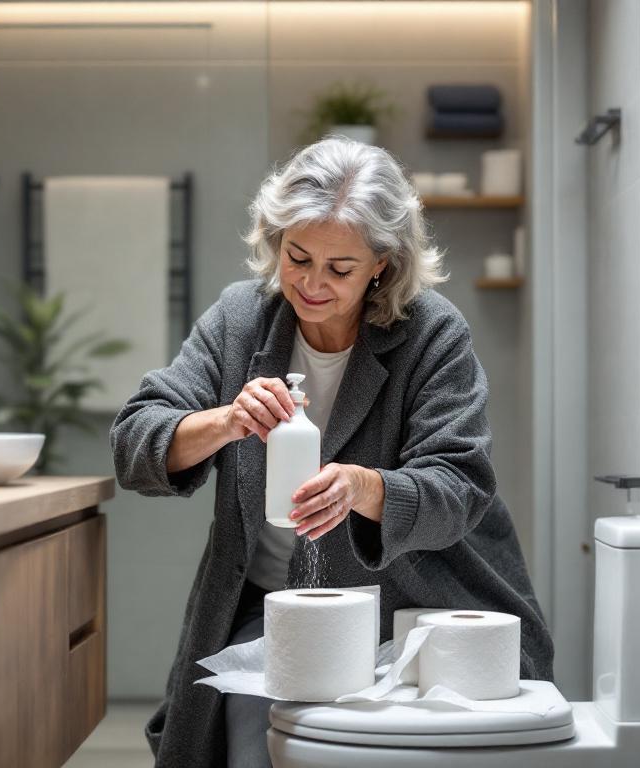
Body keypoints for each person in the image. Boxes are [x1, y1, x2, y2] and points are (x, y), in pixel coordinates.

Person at [111, 136, 552, 768]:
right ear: (275, 237)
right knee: (243, 726)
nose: (312, 284)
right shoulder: (242, 320)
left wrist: (366, 488)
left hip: (415, 612)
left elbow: (459, 486)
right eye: (297, 257)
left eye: (339, 269)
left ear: (382, 263)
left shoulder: (431, 334)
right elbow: (134, 443)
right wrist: (224, 420)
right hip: (281, 613)